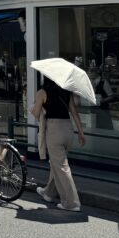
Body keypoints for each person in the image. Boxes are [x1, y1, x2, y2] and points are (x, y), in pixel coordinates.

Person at [31, 76, 85, 212]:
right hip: (68, 129)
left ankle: (72, 203)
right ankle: (48, 193)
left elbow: (36, 114)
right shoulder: (66, 91)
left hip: (54, 130)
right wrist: (81, 132)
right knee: (57, 163)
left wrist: (34, 107)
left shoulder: (42, 92)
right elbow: (74, 113)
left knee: (61, 166)